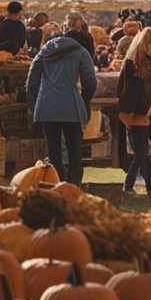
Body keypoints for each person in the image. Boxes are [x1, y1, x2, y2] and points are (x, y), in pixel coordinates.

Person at [26, 30, 97, 186]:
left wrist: (34, 106)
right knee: (75, 151)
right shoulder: (81, 52)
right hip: (71, 105)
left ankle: (56, 185)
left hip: (46, 106)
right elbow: (90, 82)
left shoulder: (44, 52)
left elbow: (31, 82)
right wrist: (84, 101)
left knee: (53, 152)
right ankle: (74, 186)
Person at [118, 27, 151, 196]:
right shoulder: (144, 65)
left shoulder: (135, 62)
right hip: (138, 113)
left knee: (146, 151)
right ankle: (144, 186)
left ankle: (149, 186)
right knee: (143, 152)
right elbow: (144, 87)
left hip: (138, 112)